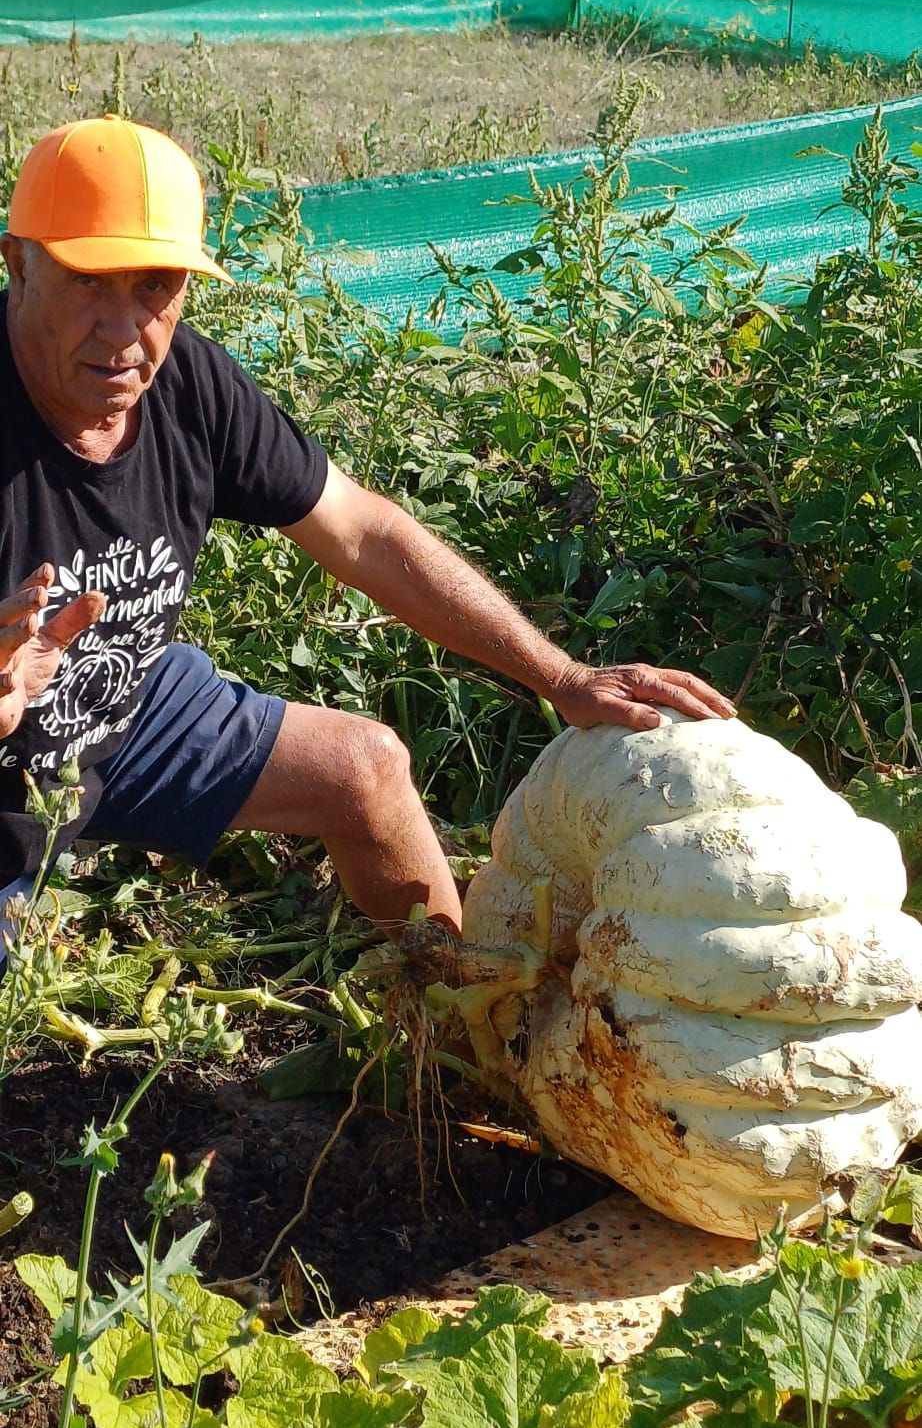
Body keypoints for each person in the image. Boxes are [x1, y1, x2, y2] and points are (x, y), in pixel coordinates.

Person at [0, 115, 734, 936]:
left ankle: (457, 1013)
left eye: (154, 287)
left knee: (366, 769)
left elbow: (363, 532)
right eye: (88, 282)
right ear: (18, 265)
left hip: (124, 711)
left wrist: (560, 678)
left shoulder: (187, 386)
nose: (124, 331)